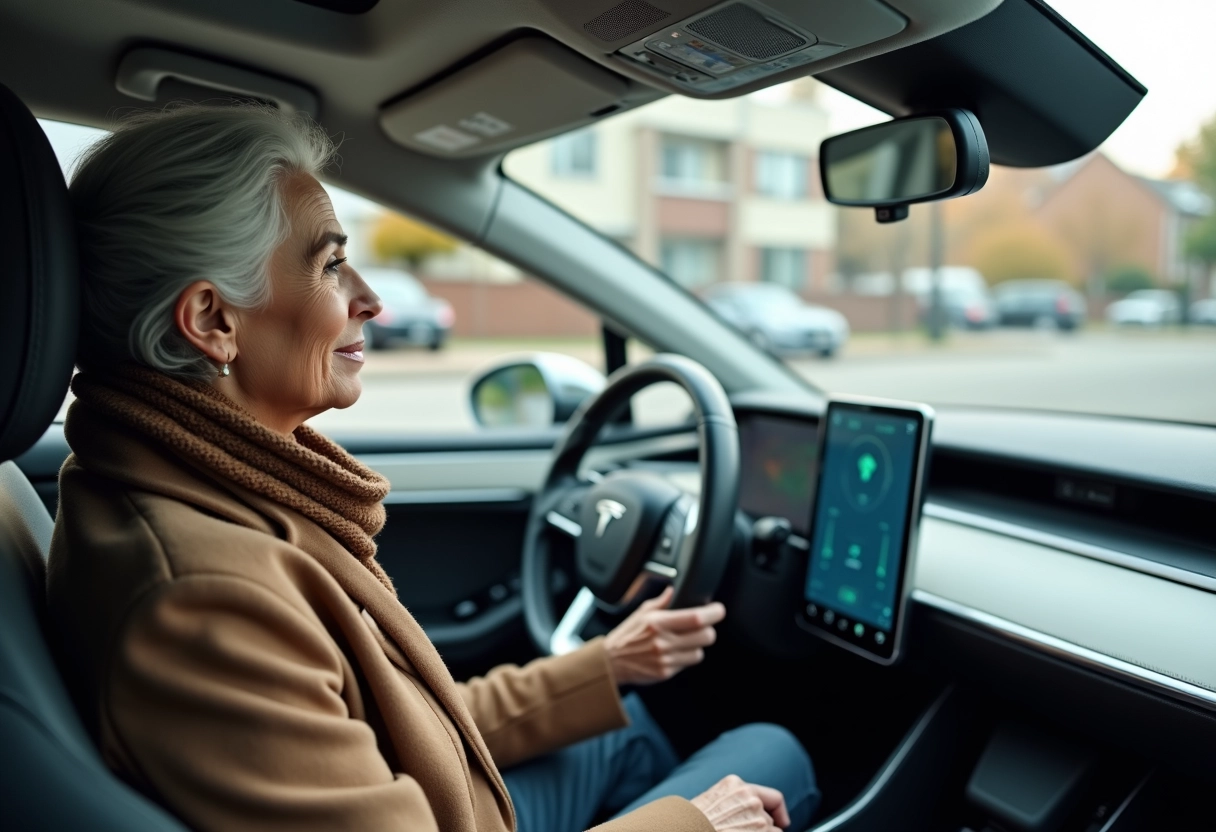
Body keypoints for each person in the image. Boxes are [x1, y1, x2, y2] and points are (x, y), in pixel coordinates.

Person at [46, 105, 820, 832]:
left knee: (626, 731)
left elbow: (399, 728)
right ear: (214, 321)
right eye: (331, 266)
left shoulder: (205, 495)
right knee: (772, 752)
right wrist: (697, 822)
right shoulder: (203, 599)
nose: (373, 300)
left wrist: (606, 664)